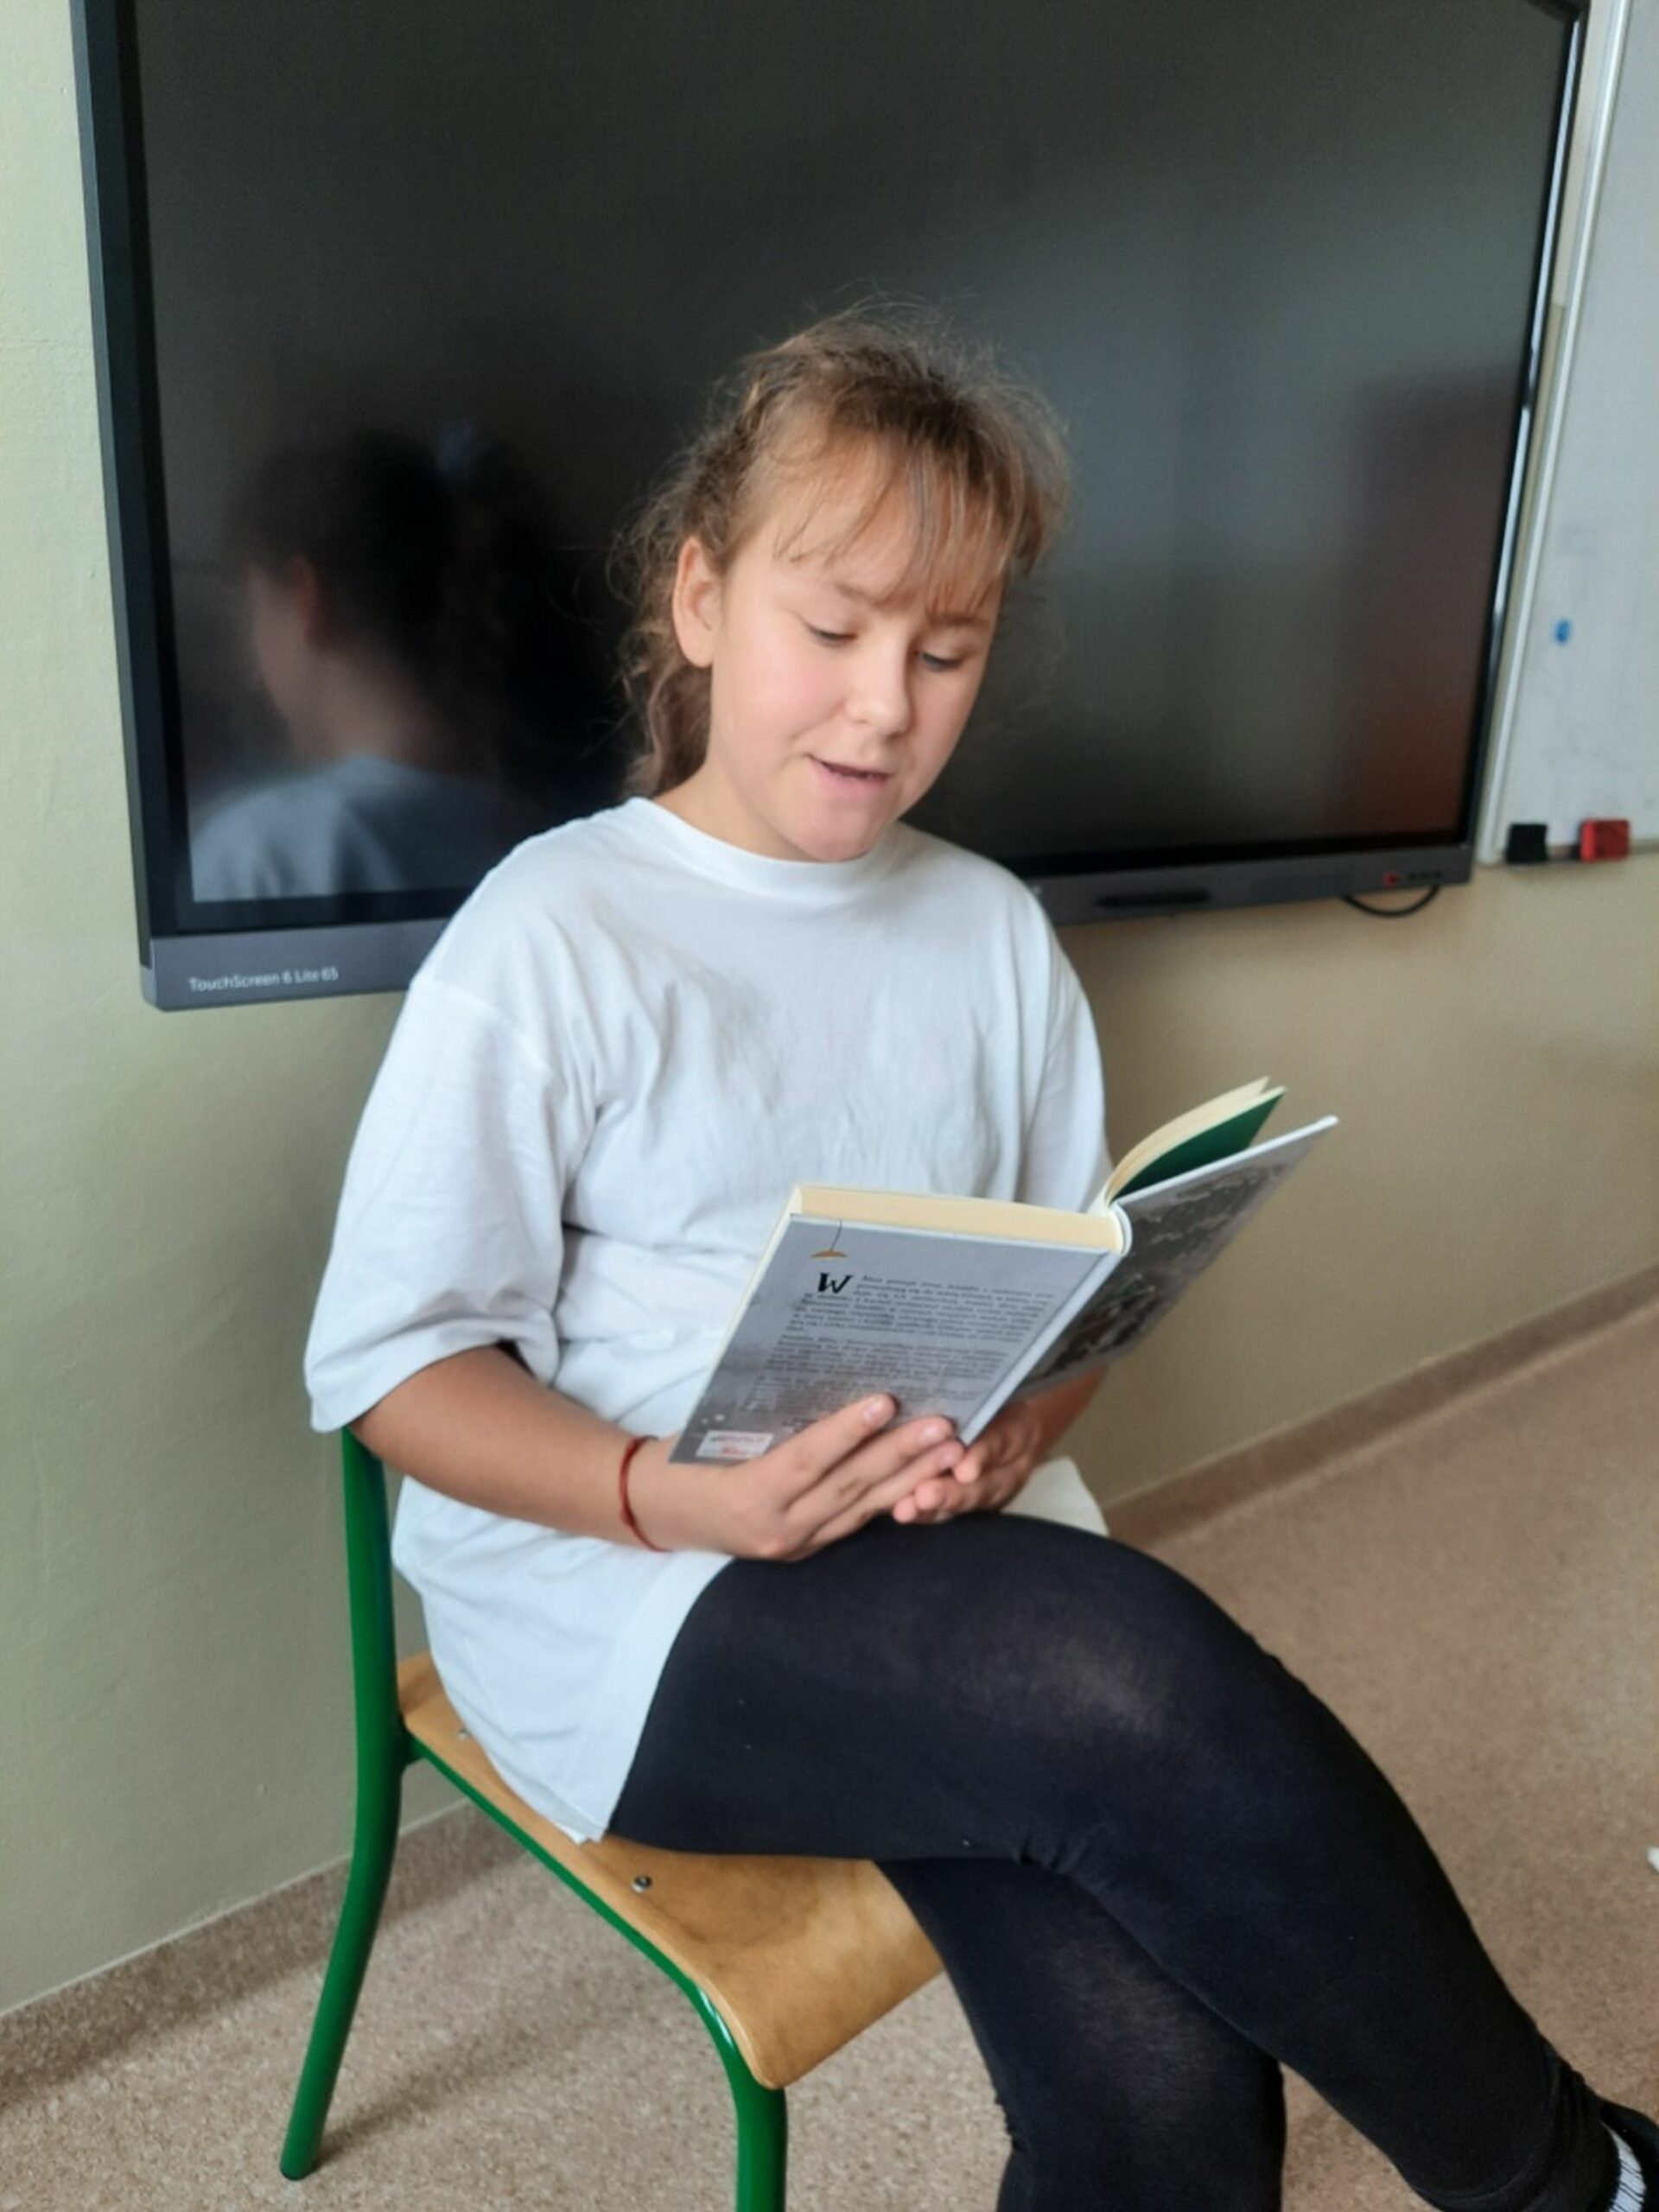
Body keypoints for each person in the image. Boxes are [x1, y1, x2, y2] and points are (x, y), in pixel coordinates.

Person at [304, 308, 1656, 2212]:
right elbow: (392, 1366)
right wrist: (677, 1493)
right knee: (1143, 1683)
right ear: (701, 599)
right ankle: (1578, 2184)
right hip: (640, 1588)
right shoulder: (555, 933)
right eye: (834, 630)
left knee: (1179, 2106)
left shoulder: (990, 929)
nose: (884, 708)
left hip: (945, 1551)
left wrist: (1027, 1427)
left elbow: (1064, 1291)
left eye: (945, 653)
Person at [189, 425, 607, 900]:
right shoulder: (578, 823)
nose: (253, 667)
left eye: (256, 607)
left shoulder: (259, 856)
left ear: (306, 600)